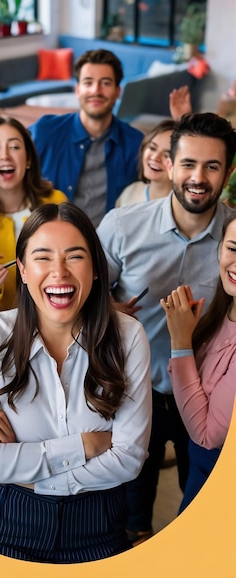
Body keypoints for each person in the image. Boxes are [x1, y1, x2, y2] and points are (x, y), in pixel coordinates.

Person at [0, 201, 152, 563]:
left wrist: (28, 470)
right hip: (10, 521)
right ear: (22, 268)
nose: (59, 272)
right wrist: (86, 445)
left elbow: (129, 460)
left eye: (75, 256)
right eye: (43, 257)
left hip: (99, 521)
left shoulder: (128, 337)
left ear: (96, 269)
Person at [96, 111, 236, 546]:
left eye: (212, 166)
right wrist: (105, 311)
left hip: (212, 404)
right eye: (189, 164)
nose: (198, 177)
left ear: (228, 174)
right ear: (169, 165)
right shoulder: (121, 227)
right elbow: (79, 300)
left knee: (202, 511)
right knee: (132, 515)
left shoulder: (235, 238)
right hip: (137, 396)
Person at [161, 213, 236, 512]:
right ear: (219, 250)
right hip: (200, 470)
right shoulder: (223, 311)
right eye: (233, 248)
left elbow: (206, 435)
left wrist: (180, 343)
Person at [0, 115, 67, 314]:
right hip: (7, 326)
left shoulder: (57, 202)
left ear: (28, 160)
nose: (5, 156)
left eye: (15, 147)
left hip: (59, 316)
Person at [28, 49, 143, 227]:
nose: (96, 91)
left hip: (106, 247)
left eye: (105, 83)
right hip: (50, 241)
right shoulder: (45, 131)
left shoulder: (135, 143)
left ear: (117, 91)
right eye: (88, 82)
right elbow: (9, 158)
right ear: (77, 89)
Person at [115, 119, 175, 207]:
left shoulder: (183, 207)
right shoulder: (130, 192)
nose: (155, 158)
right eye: (152, 148)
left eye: (167, 155)